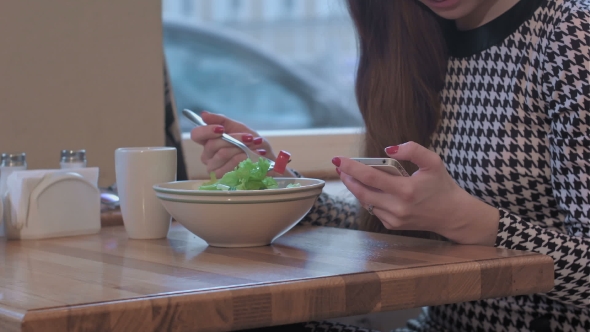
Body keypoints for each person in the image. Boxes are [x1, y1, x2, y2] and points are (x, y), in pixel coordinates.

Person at [189, 0, 589, 330]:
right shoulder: (424, 35)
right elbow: (385, 225)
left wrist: (470, 222)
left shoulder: (570, 34)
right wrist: (281, 185)